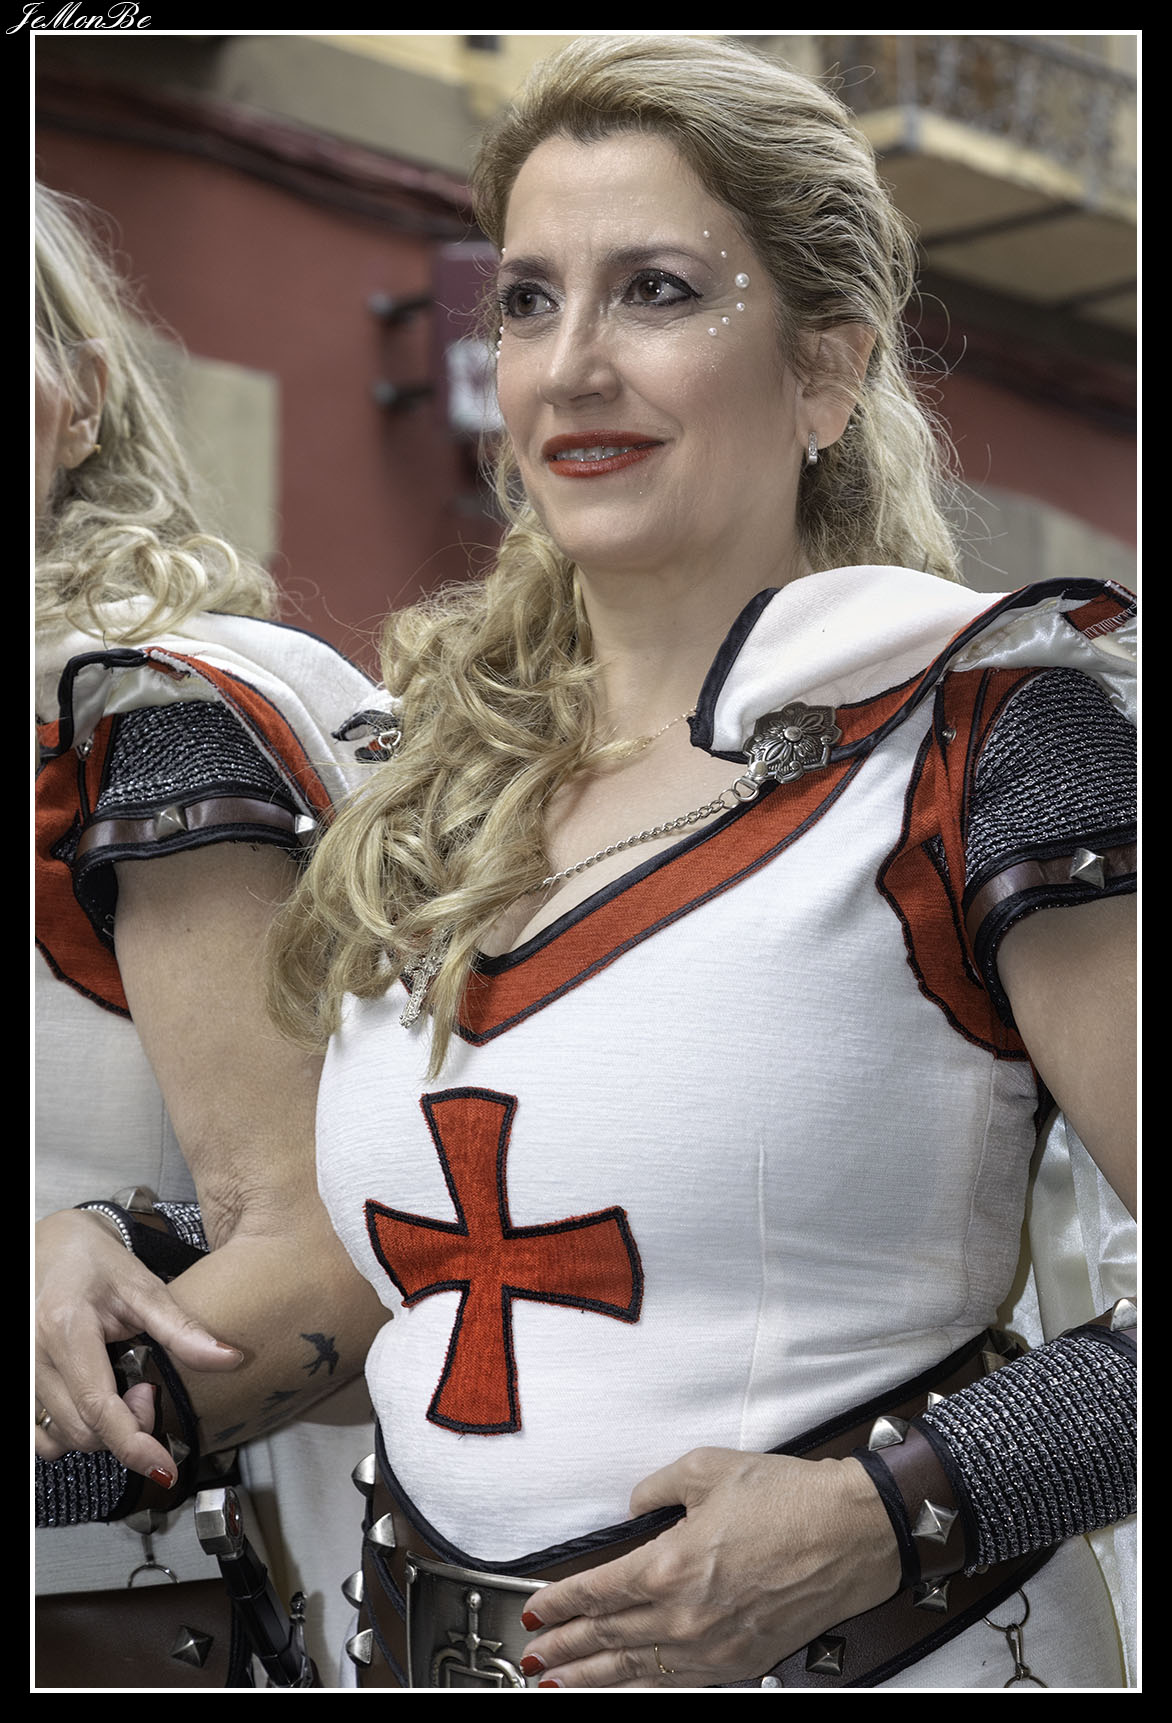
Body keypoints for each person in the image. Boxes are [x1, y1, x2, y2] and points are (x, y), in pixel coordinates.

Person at [39, 33, 1137, 1690]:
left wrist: (885, 1511)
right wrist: (111, 1244)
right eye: (530, 301)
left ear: (827, 370)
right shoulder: (429, 794)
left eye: (661, 293)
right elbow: (423, 1250)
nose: (573, 368)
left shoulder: (981, 730)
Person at [33, 180, 386, 1686]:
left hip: (98, 1608)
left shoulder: (152, 724)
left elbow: (332, 1260)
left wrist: (111, 1244)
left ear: (81, 396)